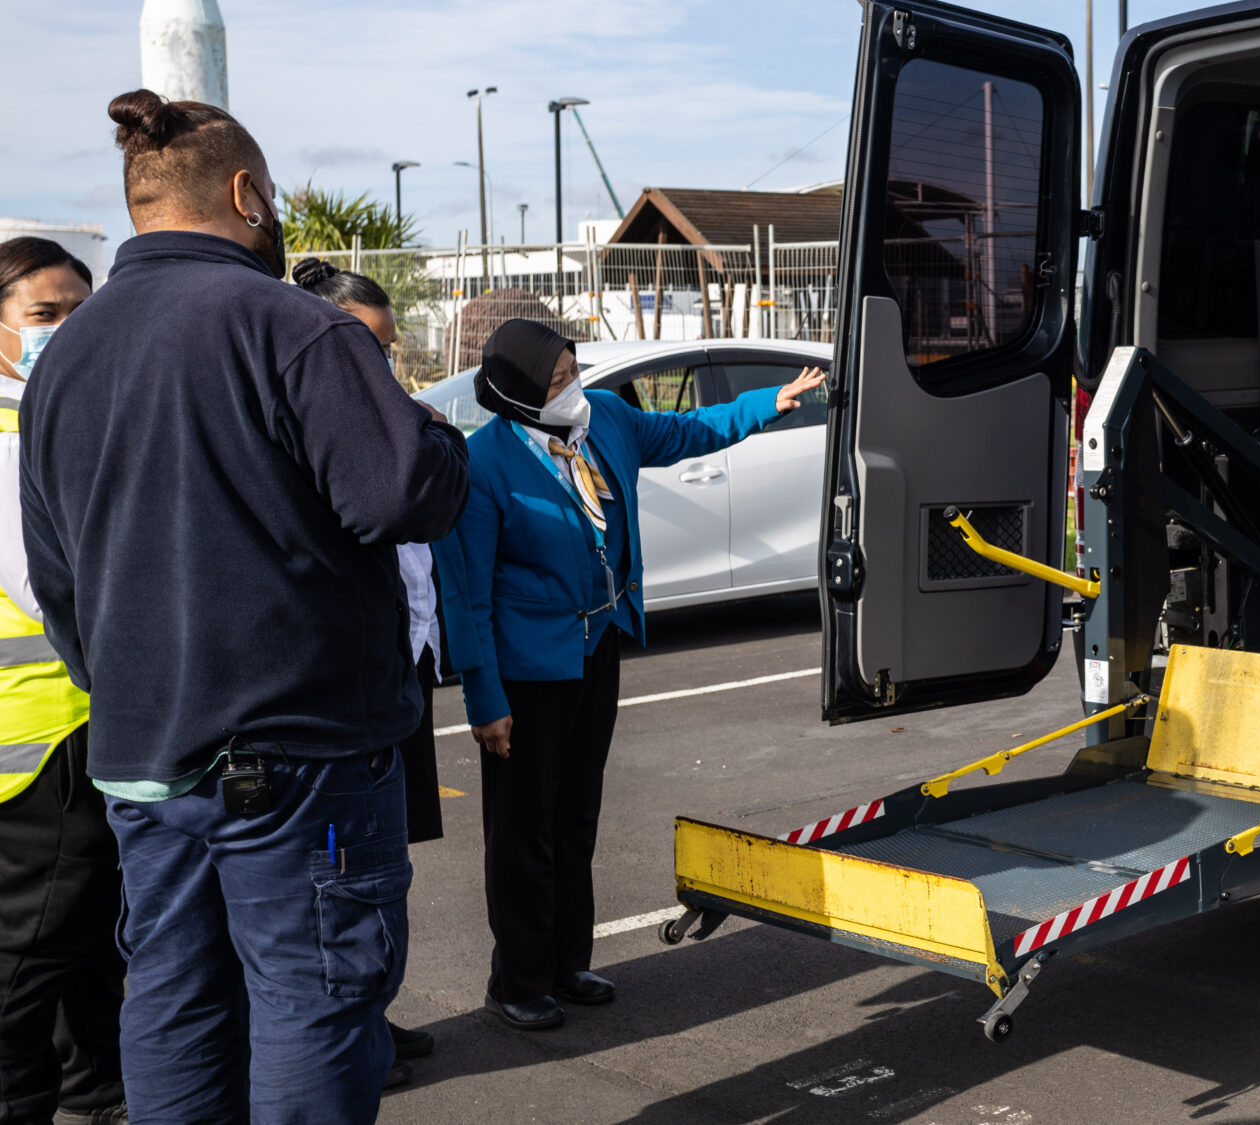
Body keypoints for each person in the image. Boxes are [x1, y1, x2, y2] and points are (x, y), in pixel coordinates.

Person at [17, 90, 470, 1124]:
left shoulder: (64, 359)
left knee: (173, 1006)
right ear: (246, 193)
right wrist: (424, 425)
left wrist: (125, 689)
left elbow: (60, 578)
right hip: (295, 759)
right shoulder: (290, 325)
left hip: (140, 757)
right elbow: (404, 494)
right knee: (314, 1005)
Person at [444, 318, 820, 1030]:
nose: (574, 387)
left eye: (574, 368)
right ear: (520, 395)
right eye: (557, 381)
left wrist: (763, 405)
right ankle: (517, 979)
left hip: (595, 646)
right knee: (524, 830)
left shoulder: (606, 418)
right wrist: (483, 697)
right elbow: (467, 596)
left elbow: (686, 432)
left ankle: (565, 960)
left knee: (576, 812)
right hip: (526, 670)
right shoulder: (485, 464)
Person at [291, 258, 447, 1088]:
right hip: (337, 699)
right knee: (334, 877)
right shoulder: (315, 427)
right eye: (368, 348)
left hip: (402, 670)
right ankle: (343, 1038)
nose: (383, 367)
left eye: (388, 350)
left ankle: (372, 1013)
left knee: (384, 866)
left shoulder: (384, 419)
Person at [0, 238, 125, 1125]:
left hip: (79, 735)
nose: (68, 332)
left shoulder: (57, 418)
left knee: (92, 945)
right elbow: (65, 587)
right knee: (23, 965)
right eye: (45, 317)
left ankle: (100, 1093)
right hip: (47, 749)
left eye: (82, 312)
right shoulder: (15, 442)